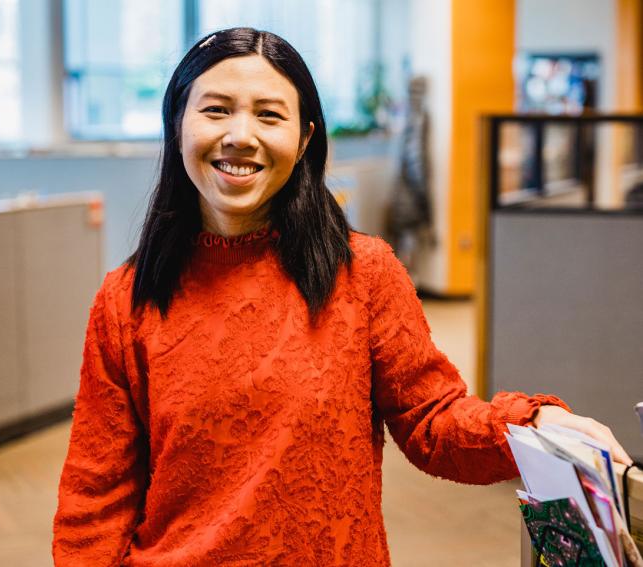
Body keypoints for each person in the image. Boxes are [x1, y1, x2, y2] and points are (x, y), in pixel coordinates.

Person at [52, 27, 632, 566]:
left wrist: (532, 424)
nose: (240, 135)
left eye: (269, 115)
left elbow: (432, 421)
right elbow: (96, 496)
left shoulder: (363, 273)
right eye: (216, 109)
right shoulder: (127, 299)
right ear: (178, 122)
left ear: (304, 138)